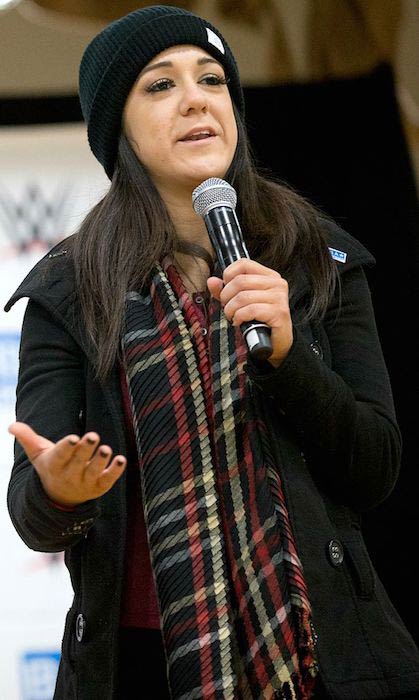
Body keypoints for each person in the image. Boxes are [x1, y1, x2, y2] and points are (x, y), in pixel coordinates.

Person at [5, 5, 419, 700]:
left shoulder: (316, 259)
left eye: (211, 79)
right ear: (118, 127)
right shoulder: (71, 290)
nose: (196, 98)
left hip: (322, 661)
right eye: (160, 85)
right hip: (141, 668)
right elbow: (32, 508)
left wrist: (290, 360)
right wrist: (59, 491)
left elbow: (374, 468)